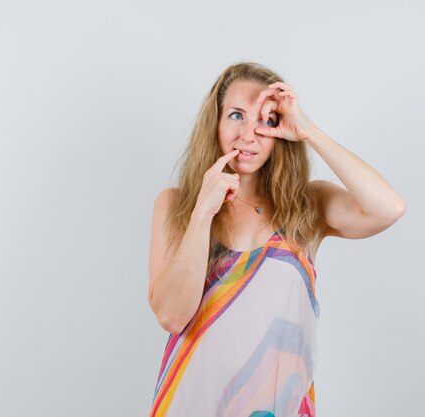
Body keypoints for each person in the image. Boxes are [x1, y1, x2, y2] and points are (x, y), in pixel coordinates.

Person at [147, 62, 406, 417]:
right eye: (236, 115)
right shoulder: (176, 205)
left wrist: (309, 130)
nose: (249, 133)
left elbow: (388, 208)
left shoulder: (306, 206)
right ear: (216, 123)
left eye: (267, 120)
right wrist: (202, 213)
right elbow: (173, 317)